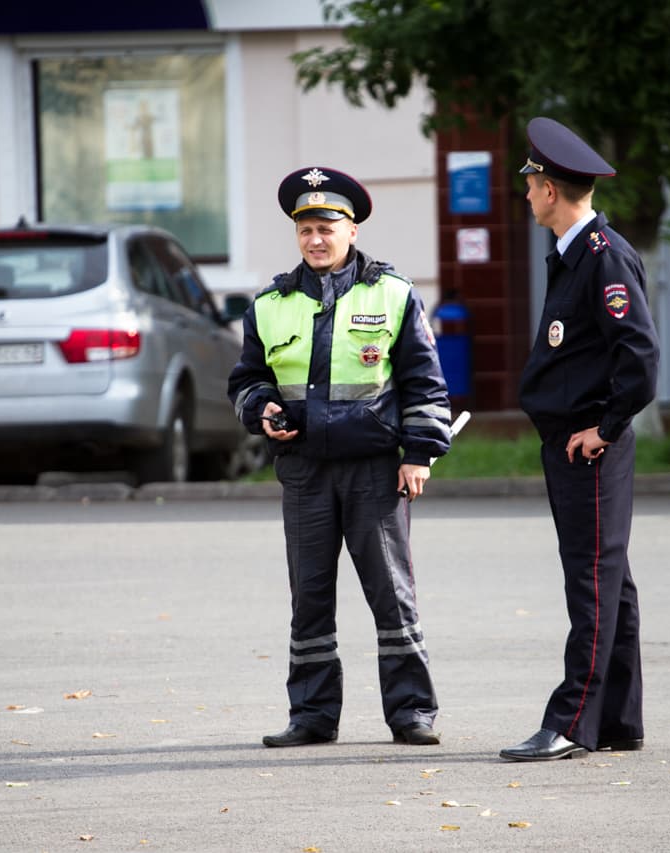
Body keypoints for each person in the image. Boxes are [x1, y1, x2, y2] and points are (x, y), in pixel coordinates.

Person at [228, 166, 452, 748]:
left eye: (327, 226)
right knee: (309, 599)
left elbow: (424, 382)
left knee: (391, 596)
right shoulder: (270, 304)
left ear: (351, 230)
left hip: (374, 469)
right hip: (303, 470)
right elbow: (248, 380)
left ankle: (411, 713)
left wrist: (420, 453)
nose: (315, 239)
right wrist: (263, 410)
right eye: (305, 229)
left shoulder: (393, 294)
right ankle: (312, 716)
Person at [499, 118, 660, 762]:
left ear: (548, 189)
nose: (527, 192)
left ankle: (569, 721)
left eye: (531, 181)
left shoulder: (603, 256)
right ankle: (617, 719)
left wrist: (606, 426)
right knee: (610, 581)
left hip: (588, 445)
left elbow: (641, 359)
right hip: (571, 442)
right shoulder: (574, 254)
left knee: (591, 581)